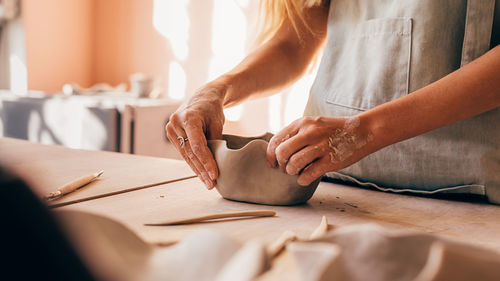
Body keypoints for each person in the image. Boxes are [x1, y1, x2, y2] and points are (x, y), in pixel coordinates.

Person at [166, 0, 500, 204]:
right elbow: (294, 41)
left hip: (470, 189)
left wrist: (364, 130)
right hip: (336, 185)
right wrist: (215, 91)